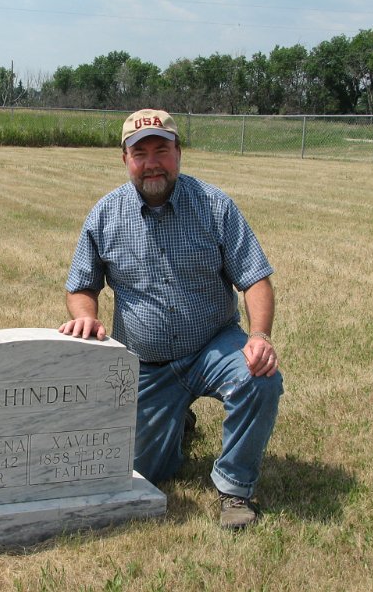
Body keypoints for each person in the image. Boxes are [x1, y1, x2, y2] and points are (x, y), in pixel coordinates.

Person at [58, 109, 283, 530]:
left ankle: (235, 489)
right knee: (148, 473)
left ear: (179, 153)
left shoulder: (215, 206)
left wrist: (259, 336)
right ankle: (179, 422)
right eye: (139, 153)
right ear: (124, 159)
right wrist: (86, 318)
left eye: (162, 150)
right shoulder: (105, 215)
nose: (152, 162)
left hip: (214, 344)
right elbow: (81, 287)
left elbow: (255, 280)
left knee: (260, 377)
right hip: (148, 366)